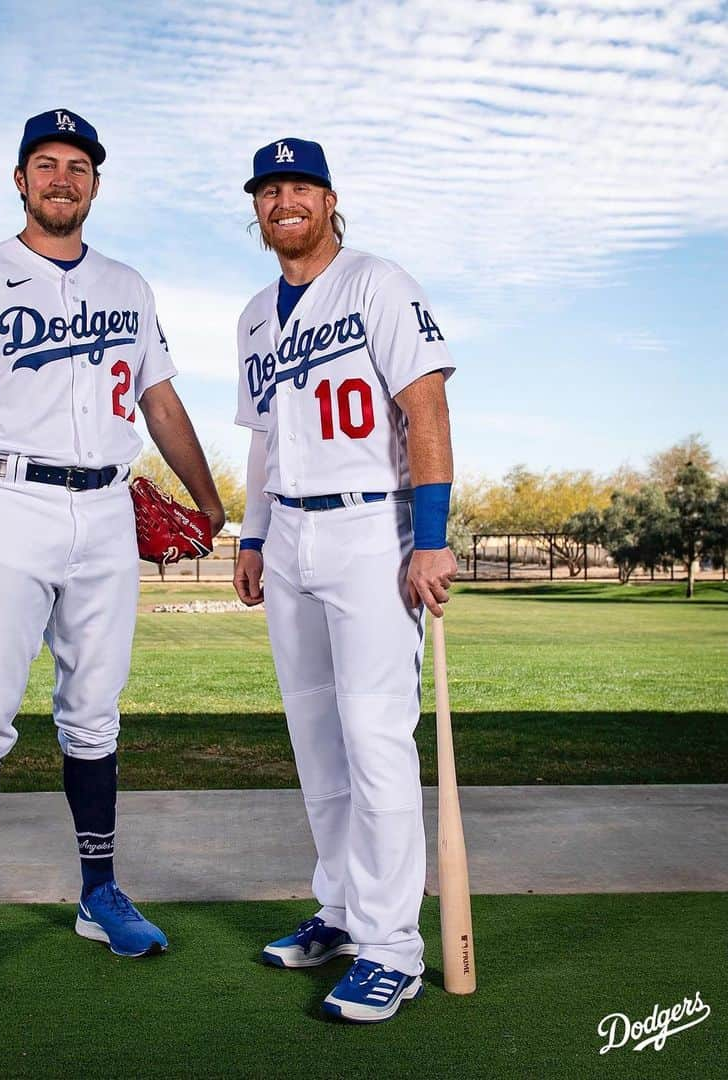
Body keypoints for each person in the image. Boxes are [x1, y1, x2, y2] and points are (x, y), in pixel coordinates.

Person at [0, 108, 224, 986]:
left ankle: (99, 894)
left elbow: (160, 404)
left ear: (94, 185)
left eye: (77, 166)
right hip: (11, 503)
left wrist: (209, 498)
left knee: (95, 711)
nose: (61, 178)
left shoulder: (128, 284)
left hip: (109, 509)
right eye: (45, 164)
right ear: (20, 181)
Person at [231, 138, 457, 1023]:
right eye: (268, 189)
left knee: (374, 739)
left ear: (329, 200)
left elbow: (426, 407)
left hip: (372, 524)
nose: (283, 200)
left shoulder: (378, 281)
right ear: (257, 209)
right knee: (316, 741)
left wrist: (430, 540)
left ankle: (394, 947)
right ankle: (341, 912)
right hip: (286, 529)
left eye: (299, 186)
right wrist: (250, 536)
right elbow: (264, 439)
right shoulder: (254, 312)